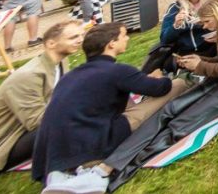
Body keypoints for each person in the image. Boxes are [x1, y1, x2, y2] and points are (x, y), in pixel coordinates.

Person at [86, 0, 218, 191]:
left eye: (207, 22)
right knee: (169, 109)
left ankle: (120, 173)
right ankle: (110, 164)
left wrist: (200, 66)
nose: (206, 27)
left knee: (181, 123)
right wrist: (198, 59)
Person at [31, 23, 188, 189]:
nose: (127, 38)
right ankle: (86, 169)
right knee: (177, 84)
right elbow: (161, 89)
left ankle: (63, 175)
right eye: (124, 35)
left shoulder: (70, 76)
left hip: (51, 153)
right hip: (90, 144)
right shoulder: (117, 71)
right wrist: (161, 77)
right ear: (111, 43)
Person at [0, 21, 84, 172]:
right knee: (69, 124)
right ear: (51, 43)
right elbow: (37, 122)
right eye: (73, 37)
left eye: (81, 35)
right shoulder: (28, 76)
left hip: (28, 131)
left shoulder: (61, 60)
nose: (80, 40)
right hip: (5, 143)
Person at [154, 0, 216, 73]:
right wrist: (176, 25)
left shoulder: (214, 1)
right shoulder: (176, 7)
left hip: (213, 48)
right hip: (187, 51)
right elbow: (164, 39)